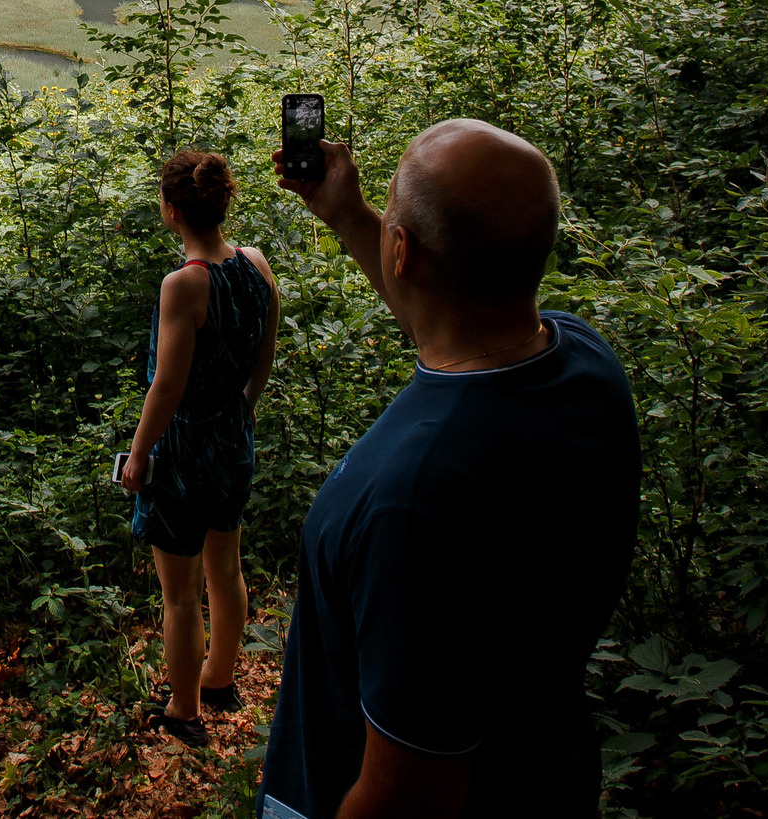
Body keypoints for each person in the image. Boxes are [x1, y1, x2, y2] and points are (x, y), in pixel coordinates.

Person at [260, 121, 641, 819]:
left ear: (402, 250)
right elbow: (453, 309)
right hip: (543, 776)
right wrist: (352, 215)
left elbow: (408, 794)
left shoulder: (413, 499)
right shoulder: (586, 364)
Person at [120, 150, 281, 749]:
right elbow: (265, 341)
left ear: (171, 210)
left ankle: (183, 709)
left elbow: (167, 385)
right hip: (234, 435)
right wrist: (246, 403)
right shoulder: (256, 265)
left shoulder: (184, 284)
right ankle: (219, 680)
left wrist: (139, 455)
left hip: (185, 450)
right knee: (226, 566)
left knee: (179, 593)